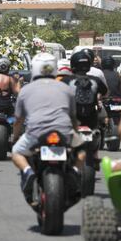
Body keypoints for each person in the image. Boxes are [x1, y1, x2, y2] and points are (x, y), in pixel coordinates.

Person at [12, 52, 84, 205]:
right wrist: (76, 134)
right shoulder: (66, 89)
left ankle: (28, 172)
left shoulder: (25, 90)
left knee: (16, 152)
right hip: (63, 133)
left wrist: (14, 137)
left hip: (35, 134)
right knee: (82, 152)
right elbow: (72, 117)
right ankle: (74, 173)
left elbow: (19, 120)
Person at [62, 50, 108, 130]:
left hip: (72, 122)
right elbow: (105, 92)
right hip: (91, 122)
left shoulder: (66, 81)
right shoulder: (96, 80)